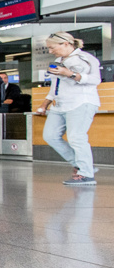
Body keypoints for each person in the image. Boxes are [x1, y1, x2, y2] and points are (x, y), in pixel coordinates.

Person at [36, 31, 101, 185]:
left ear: (66, 44)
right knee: (50, 136)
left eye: (52, 48)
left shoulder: (85, 58)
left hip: (81, 102)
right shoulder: (59, 60)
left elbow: (95, 80)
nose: (50, 51)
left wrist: (70, 74)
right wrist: (45, 103)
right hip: (60, 105)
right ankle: (81, 165)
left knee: (76, 137)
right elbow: (55, 85)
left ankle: (86, 174)